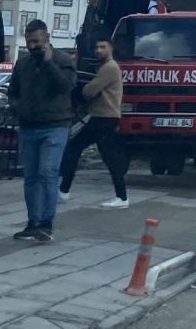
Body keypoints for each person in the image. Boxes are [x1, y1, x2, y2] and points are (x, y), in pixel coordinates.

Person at [7, 19, 76, 242]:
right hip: (29, 126)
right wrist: (18, 108)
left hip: (55, 125)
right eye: (29, 42)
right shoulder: (23, 63)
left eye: (37, 41)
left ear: (47, 37)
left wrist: (48, 64)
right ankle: (33, 222)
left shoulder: (63, 60)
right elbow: (13, 91)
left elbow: (65, 87)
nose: (33, 46)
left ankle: (46, 223)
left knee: (47, 171)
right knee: (31, 176)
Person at [59, 33, 129, 208]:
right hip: (104, 116)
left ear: (111, 48)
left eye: (102, 47)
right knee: (109, 156)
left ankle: (64, 190)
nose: (98, 50)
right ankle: (121, 196)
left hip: (104, 117)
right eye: (97, 47)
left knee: (74, 147)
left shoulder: (109, 68)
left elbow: (89, 91)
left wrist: (82, 91)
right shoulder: (106, 67)